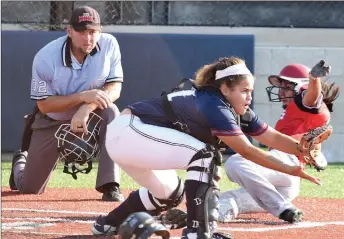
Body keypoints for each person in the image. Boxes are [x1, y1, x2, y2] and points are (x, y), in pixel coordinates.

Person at [91, 56, 329, 238]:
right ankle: (198, 232)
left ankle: (109, 223)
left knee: (170, 195)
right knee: (205, 155)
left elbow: (272, 137)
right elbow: (247, 150)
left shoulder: (232, 108)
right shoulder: (214, 103)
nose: (249, 97)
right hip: (129, 132)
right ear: (225, 89)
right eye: (244, 91)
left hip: (135, 141)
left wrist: (301, 150)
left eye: (251, 91)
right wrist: (290, 169)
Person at [9, 6, 124, 202]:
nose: (88, 38)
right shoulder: (45, 57)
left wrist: (86, 108)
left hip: (90, 116)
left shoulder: (109, 44)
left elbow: (115, 87)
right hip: (51, 120)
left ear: (100, 31)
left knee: (112, 112)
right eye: (81, 31)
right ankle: (21, 162)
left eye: (92, 32)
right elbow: (44, 105)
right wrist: (82, 97)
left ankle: (110, 185)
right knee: (29, 189)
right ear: (69, 31)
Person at [218, 61, 339, 223]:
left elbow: (311, 97)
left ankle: (282, 207)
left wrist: (313, 80)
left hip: (287, 164)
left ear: (300, 87)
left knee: (234, 162)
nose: (281, 92)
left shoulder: (305, 102)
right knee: (218, 200)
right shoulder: (295, 111)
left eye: (286, 87)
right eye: (281, 87)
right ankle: (281, 207)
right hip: (285, 186)